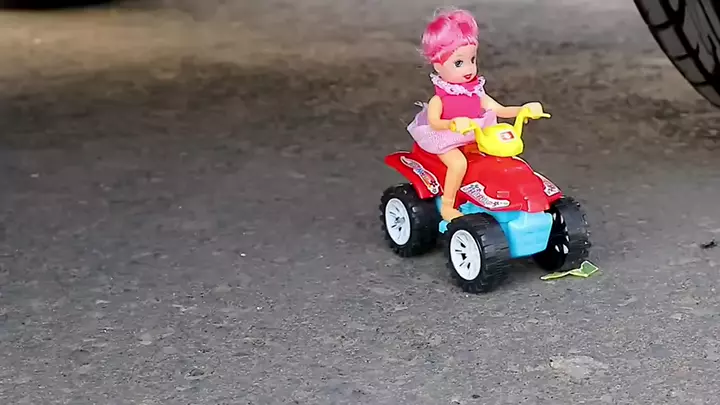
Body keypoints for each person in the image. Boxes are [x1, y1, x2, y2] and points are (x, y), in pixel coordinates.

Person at [407, 8, 545, 222]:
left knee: (503, 160)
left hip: (475, 135)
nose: (469, 68)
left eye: (472, 60)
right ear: (438, 66)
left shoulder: (476, 93)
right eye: (459, 63)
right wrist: (452, 124)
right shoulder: (440, 99)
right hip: (446, 139)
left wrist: (523, 109)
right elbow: (435, 122)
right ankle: (448, 205)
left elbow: (499, 109)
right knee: (458, 164)